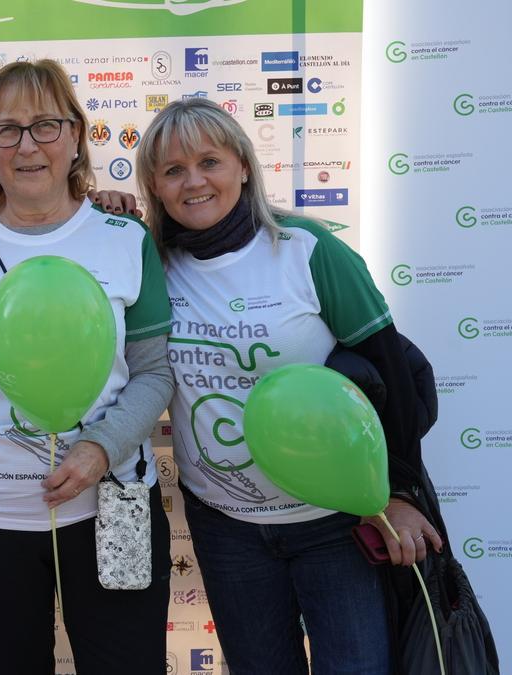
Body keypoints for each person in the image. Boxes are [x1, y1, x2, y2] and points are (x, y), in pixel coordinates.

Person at [93, 97, 442, 674]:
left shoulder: (306, 249)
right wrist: (104, 212)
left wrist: (398, 496)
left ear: (244, 166)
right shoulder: (148, 262)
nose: (194, 182)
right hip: (226, 527)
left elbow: (395, 376)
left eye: (210, 162)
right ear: (154, 185)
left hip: (335, 522)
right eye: (173, 170)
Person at [0, 59, 175, 674]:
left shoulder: (127, 241)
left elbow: (155, 373)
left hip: (111, 507)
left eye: (45, 125)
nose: (27, 146)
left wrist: (100, 448)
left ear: (75, 136)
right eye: (5, 130)